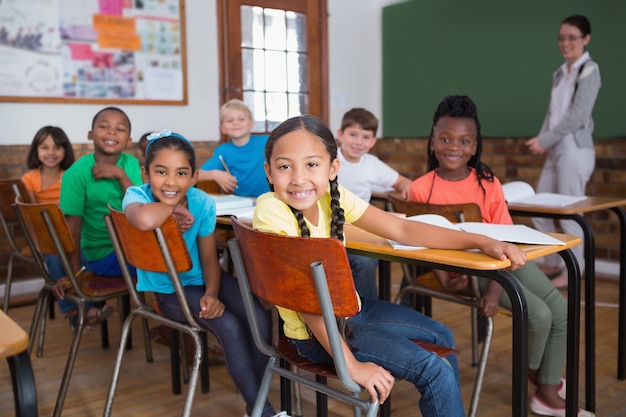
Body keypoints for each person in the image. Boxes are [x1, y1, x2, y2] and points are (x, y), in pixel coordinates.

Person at [253, 114, 528, 417]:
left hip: (350, 313)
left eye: (312, 164)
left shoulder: (331, 196)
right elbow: (307, 303)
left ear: (333, 168)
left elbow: (401, 229)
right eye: (284, 166)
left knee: (442, 336)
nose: (298, 178)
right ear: (269, 171)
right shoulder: (272, 210)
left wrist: (479, 240)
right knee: (434, 371)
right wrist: (352, 366)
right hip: (316, 336)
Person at [409, 95, 593, 417]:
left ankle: (543, 381)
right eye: (446, 138)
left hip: (502, 262)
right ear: (432, 141)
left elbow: (504, 237)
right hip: (469, 272)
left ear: (475, 145)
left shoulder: (487, 183)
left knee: (561, 309)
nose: (454, 147)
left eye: (464, 141)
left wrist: (496, 290)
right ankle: (544, 387)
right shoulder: (421, 189)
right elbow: (421, 247)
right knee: (538, 315)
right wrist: (448, 281)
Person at [122, 130, 286, 417]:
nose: (171, 181)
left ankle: (257, 405)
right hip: (168, 290)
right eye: (161, 172)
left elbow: (210, 259)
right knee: (230, 326)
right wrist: (171, 209)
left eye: (181, 173)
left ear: (194, 177)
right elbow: (145, 218)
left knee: (259, 315)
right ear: (145, 173)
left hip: (205, 280)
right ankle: (264, 411)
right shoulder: (136, 195)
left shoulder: (202, 203)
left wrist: (212, 292)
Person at [525, 14, 601, 289]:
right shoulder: (560, 73)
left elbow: (578, 116)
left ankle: (575, 270)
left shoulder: (589, 70)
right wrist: (542, 139)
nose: (565, 43)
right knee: (540, 207)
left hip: (575, 148)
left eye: (572, 37)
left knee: (569, 213)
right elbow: (553, 113)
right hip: (555, 148)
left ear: (586, 39)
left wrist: (546, 138)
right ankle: (554, 263)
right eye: (561, 38)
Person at [55, 106, 141, 333]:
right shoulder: (76, 174)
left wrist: (120, 175)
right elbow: (72, 228)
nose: (112, 132)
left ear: (128, 140)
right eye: (104, 126)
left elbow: (142, 207)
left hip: (132, 248)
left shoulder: (130, 164)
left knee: (176, 255)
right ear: (90, 135)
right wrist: (75, 279)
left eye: (119, 129)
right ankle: (169, 323)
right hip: (103, 255)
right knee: (169, 264)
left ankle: (169, 319)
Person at [336, 107, 412, 299]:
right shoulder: (328, 159)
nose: (358, 142)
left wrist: (407, 189)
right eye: (353, 134)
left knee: (366, 261)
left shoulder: (372, 164)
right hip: (329, 227)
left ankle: (368, 311)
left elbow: (403, 182)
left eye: (365, 137)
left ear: (373, 142)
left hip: (359, 228)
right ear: (340, 134)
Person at [198, 99, 269, 197]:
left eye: (241, 119)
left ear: (252, 124)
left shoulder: (266, 142)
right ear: (223, 128)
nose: (236, 123)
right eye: (230, 120)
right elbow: (196, 175)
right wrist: (215, 174)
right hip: (242, 203)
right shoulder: (222, 151)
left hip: (271, 199)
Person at [21, 125, 75, 204]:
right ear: (36, 150)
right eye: (44, 147)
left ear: (65, 151)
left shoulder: (73, 177)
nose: (51, 152)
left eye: (57, 148)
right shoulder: (28, 180)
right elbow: (32, 212)